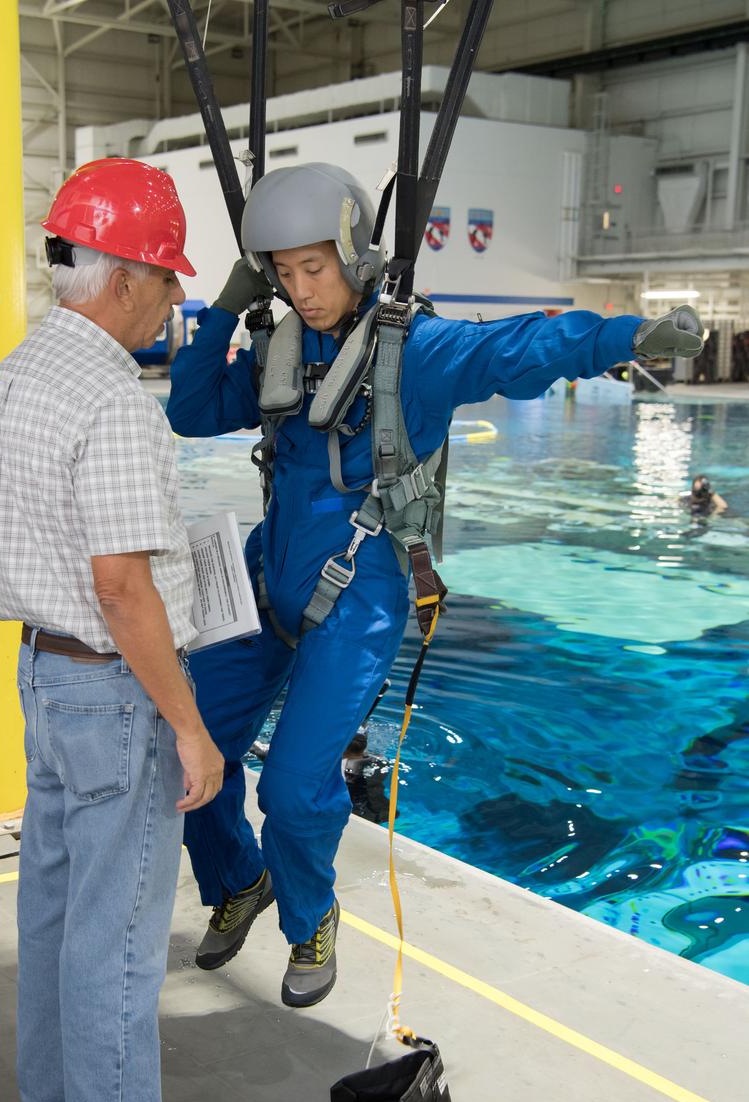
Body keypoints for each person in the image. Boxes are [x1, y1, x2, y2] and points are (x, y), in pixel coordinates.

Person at [166, 162, 705, 1009]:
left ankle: (308, 919)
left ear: (352, 253)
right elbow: (190, 410)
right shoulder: (277, 344)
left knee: (293, 788)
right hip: (267, 574)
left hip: (360, 592)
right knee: (189, 757)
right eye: (283, 271)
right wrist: (230, 306)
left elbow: (523, 344)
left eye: (315, 267)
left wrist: (626, 338)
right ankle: (237, 880)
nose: (302, 289)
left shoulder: (415, 349)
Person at [0, 158, 241, 1102]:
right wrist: (192, 728)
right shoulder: (115, 400)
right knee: (118, 927)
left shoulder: (18, 371)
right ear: (125, 277)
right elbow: (122, 587)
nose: (174, 301)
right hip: (108, 685)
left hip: (41, 671)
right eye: (169, 280)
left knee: (49, 902)